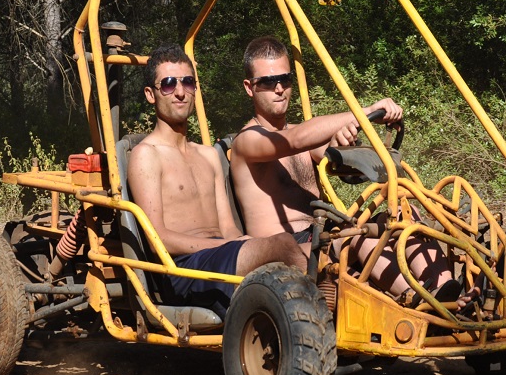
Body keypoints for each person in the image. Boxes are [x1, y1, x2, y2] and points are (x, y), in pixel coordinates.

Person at [231, 36, 478, 308]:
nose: (279, 88)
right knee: (357, 235)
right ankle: (419, 303)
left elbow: (333, 155)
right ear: (249, 88)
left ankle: (447, 291)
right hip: (284, 252)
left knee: (403, 213)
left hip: (323, 234)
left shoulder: (300, 135)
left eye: (285, 79)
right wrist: (365, 111)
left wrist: (349, 137)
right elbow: (297, 139)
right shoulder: (248, 142)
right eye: (267, 82)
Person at [127, 43, 306, 316]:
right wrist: (229, 245)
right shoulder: (146, 155)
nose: (179, 92)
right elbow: (158, 239)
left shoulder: (208, 155)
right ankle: (328, 320)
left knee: (316, 247)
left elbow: (228, 228)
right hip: (183, 268)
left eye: (187, 82)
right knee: (284, 246)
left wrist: (241, 241)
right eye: (168, 84)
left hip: (220, 257)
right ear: (151, 94)